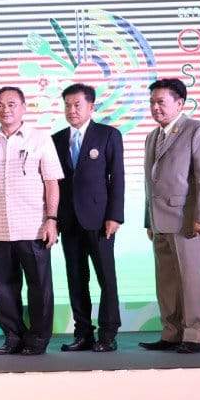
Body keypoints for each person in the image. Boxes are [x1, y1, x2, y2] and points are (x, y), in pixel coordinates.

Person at [0, 87, 62, 355]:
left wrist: (51, 220)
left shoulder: (40, 139)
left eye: (12, 104)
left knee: (39, 288)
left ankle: (38, 339)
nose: (6, 109)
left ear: (24, 107)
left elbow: (51, 183)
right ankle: (13, 337)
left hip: (33, 227)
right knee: (4, 288)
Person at [141, 78, 200, 354]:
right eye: (152, 102)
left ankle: (195, 335)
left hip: (188, 221)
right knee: (166, 282)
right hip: (160, 221)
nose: (155, 107)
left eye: (161, 102)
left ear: (179, 103)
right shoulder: (153, 136)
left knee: (191, 280)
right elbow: (150, 184)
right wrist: (148, 220)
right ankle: (171, 333)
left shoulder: (198, 130)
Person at [52, 83, 125, 353]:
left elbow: (118, 178)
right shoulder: (57, 139)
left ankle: (108, 333)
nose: (72, 110)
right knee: (76, 278)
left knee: (106, 277)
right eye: (67, 105)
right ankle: (83, 333)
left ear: (91, 107)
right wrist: (53, 219)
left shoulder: (108, 135)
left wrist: (115, 215)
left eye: (77, 105)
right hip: (68, 221)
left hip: (100, 219)